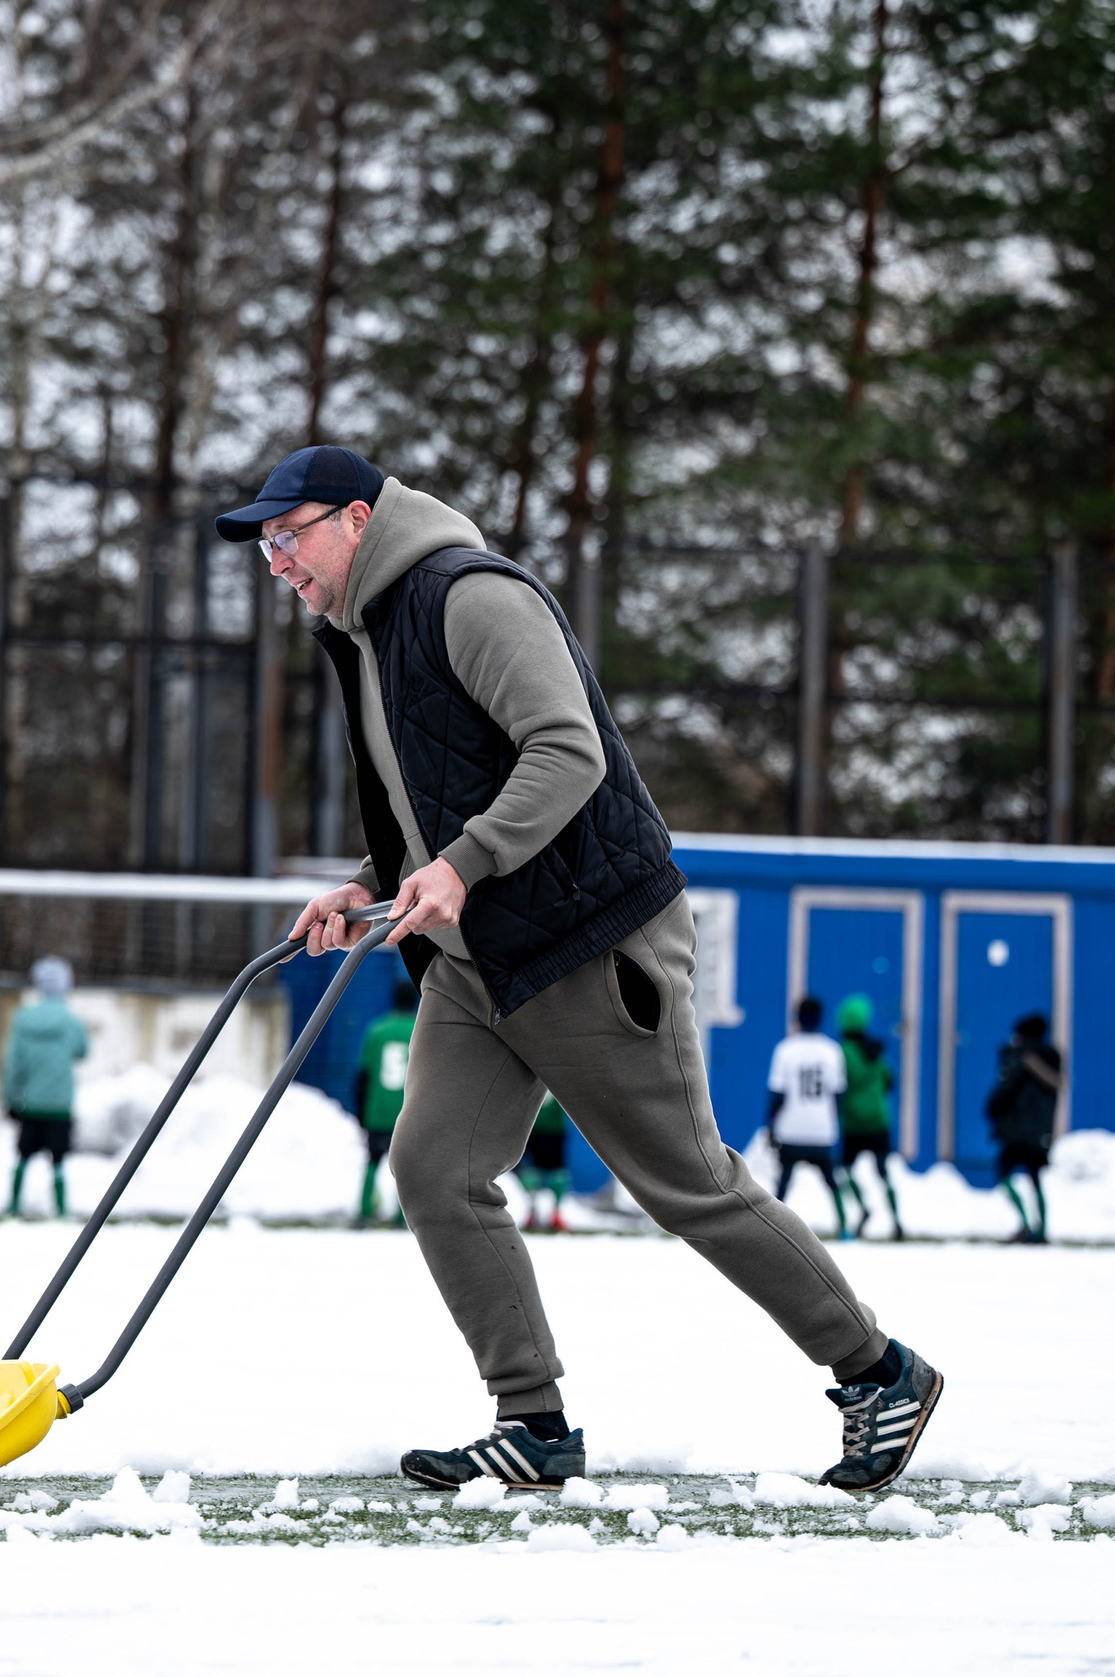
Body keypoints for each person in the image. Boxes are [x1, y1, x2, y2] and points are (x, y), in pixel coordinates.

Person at [239, 444, 937, 1494]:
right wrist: (370, 883)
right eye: (263, 546)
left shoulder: (464, 594)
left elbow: (567, 751)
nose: (276, 561)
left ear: (352, 518)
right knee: (434, 1166)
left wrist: (462, 866)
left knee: (686, 1183)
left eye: (287, 536)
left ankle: (878, 1371)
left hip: (586, 938)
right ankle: (533, 1420)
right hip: (480, 956)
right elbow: (435, 797)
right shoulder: (369, 631)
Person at [1, 956, 87, 1218]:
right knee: (58, 1160)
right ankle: (61, 1211)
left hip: (31, 1103)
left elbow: (13, 1065)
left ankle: (13, 1208)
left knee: (23, 1157)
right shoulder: (71, 1022)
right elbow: (82, 1051)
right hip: (60, 1104)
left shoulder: (23, 1021)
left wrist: (9, 1098)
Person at [767, 996, 851, 1241]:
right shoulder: (832, 1050)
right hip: (822, 1129)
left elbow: (777, 1095)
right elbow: (838, 1094)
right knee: (831, 1182)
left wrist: (772, 1126)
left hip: (792, 1128)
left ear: (797, 1018)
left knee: (783, 1183)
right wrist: (836, 1125)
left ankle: (772, 1227)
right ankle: (845, 1227)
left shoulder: (785, 1049)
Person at [985, 1011, 1064, 1244]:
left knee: (1004, 1173)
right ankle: (1041, 1229)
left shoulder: (1017, 1058)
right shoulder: (1052, 1058)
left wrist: (993, 1108)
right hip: (1041, 1130)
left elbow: (1005, 1092)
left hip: (1015, 1129)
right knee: (1036, 1177)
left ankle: (1025, 1223)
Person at [834, 994, 904, 1240]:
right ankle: (897, 1221)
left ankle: (863, 1207)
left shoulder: (842, 1052)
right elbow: (889, 1082)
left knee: (844, 1170)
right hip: (879, 1121)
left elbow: (839, 1085)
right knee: (883, 1172)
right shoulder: (878, 1053)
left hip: (854, 1123)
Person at [352, 978, 419, 1227]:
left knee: (372, 1160)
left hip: (377, 1111)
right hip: (408, 1111)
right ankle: (403, 1218)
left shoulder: (377, 1031)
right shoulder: (419, 1030)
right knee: (406, 1166)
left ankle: (364, 1212)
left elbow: (363, 1075)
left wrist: (360, 1111)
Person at [516, 1095, 576, 1234]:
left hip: (551, 1127)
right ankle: (536, 1209)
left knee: (554, 1171)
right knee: (535, 1170)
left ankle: (552, 1212)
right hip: (535, 1126)